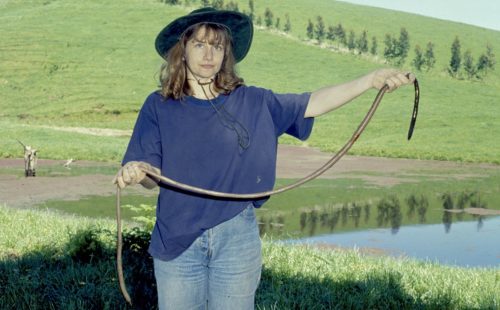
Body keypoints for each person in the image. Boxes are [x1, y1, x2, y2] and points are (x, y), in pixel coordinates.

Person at [113, 7, 415, 310]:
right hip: (176, 238)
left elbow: (312, 103)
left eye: (217, 46)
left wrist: (369, 80)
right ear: (182, 50)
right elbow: (152, 176)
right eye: (200, 45)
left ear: (226, 54)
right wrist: (138, 171)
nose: (209, 54)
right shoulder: (159, 106)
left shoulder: (254, 101)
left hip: (236, 237)